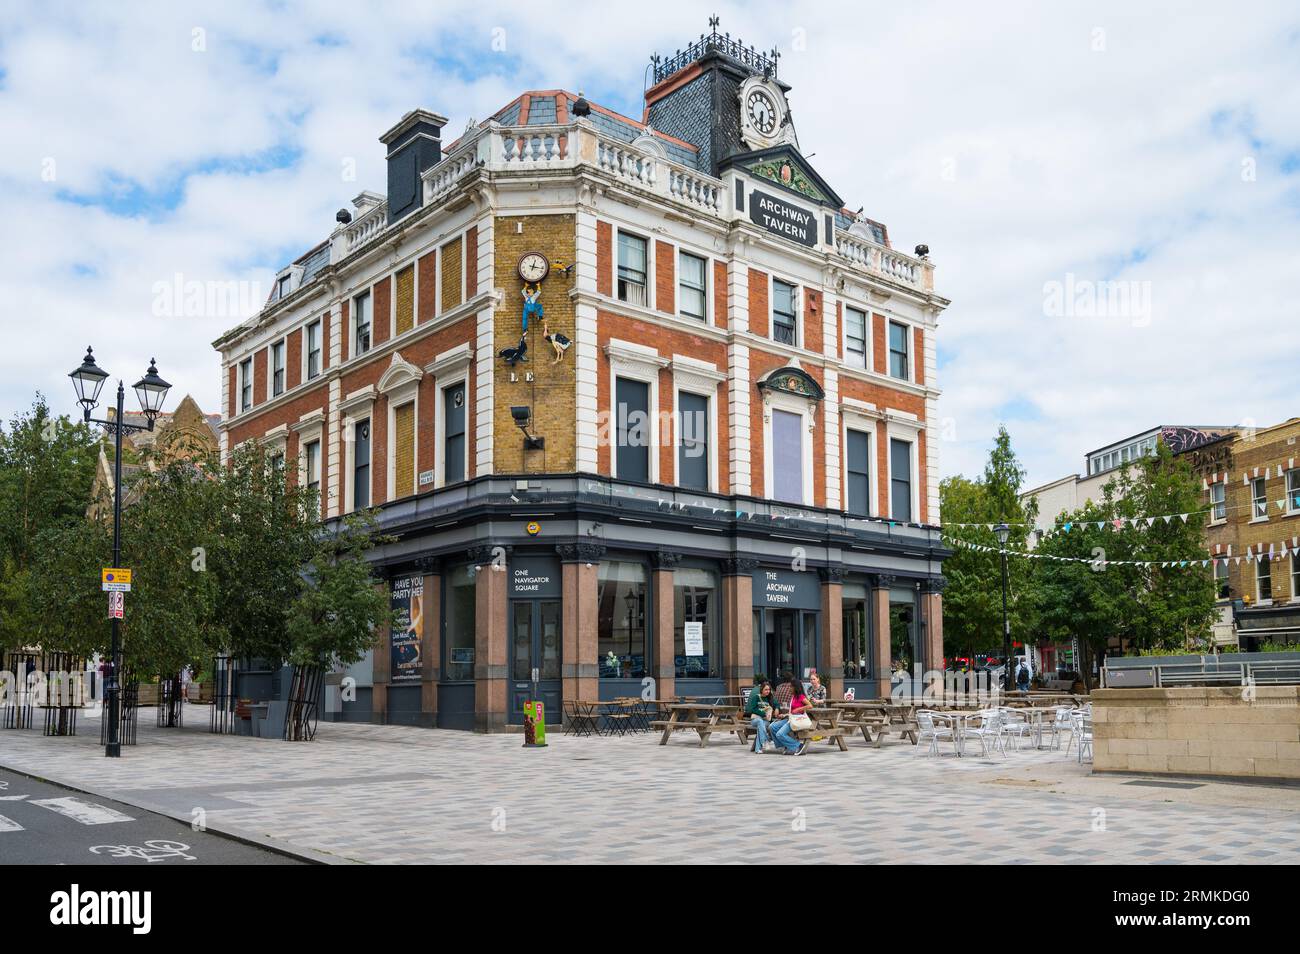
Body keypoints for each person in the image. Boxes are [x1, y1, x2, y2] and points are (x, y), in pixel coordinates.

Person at [771, 677, 812, 756]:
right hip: (790, 718)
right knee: (772, 727)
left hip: (797, 719)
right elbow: (791, 711)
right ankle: (786, 746)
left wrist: (799, 709)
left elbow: (810, 705)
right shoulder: (793, 696)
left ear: (795, 687)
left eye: (791, 686)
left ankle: (799, 746)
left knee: (779, 734)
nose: (789, 688)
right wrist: (784, 715)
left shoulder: (801, 696)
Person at [745, 681, 778, 753]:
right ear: (761, 690)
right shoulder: (756, 697)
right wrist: (763, 714)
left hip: (765, 721)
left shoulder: (770, 698)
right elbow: (752, 709)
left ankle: (758, 749)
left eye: (769, 690)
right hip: (755, 719)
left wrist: (777, 708)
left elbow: (777, 704)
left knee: (761, 725)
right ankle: (765, 740)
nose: (768, 691)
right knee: (760, 722)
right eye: (766, 689)